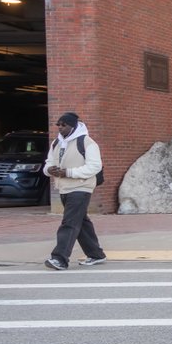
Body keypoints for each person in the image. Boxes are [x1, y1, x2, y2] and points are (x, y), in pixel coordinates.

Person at [41, 112, 107, 271]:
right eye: (59, 125)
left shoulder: (87, 142)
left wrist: (69, 173)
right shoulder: (56, 143)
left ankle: (59, 259)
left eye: (64, 125)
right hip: (64, 188)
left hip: (81, 188)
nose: (61, 128)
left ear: (74, 126)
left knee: (69, 223)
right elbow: (48, 163)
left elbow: (94, 167)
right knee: (81, 222)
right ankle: (96, 254)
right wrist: (49, 170)